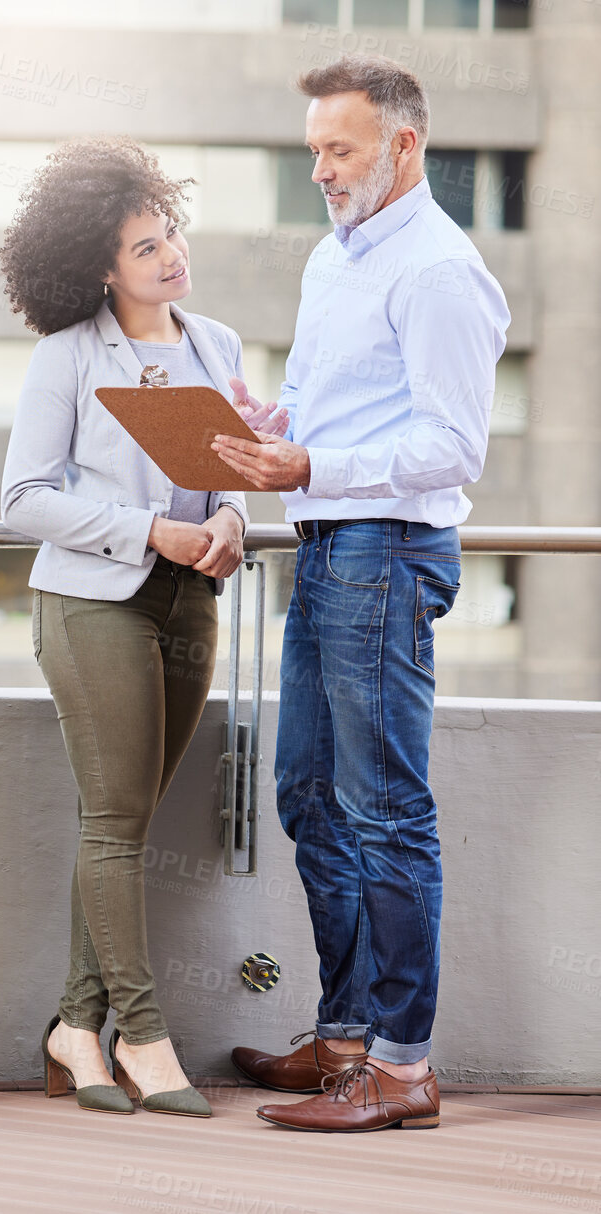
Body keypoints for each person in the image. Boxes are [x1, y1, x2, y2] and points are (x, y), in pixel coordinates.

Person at [214, 55, 509, 1133]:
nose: (320, 170)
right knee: (304, 792)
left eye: (338, 149)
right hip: (327, 542)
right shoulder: (333, 258)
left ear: (402, 146)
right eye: (312, 152)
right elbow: (315, 403)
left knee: (384, 807)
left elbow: (449, 445)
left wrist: (313, 469)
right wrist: (272, 428)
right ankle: (343, 1031)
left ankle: (398, 1064)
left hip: (383, 551)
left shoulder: (436, 268)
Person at [0, 138, 249, 1120]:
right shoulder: (65, 355)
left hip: (191, 601)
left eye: (169, 231)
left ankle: (70, 1027)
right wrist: (148, 528)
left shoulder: (215, 344)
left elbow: (232, 466)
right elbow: (21, 494)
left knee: (125, 821)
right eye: (144, 247)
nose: (168, 255)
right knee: (113, 820)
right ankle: (140, 1034)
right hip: (91, 600)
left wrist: (227, 519)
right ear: (101, 267)